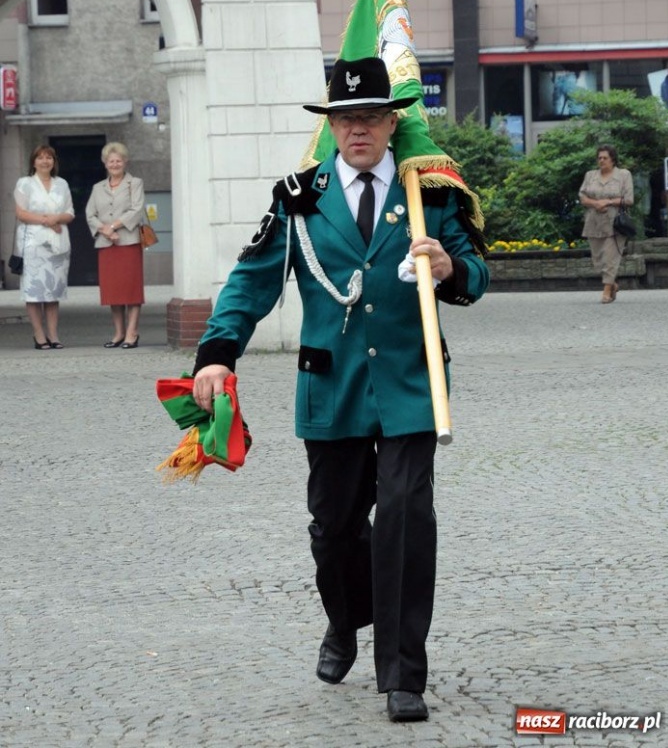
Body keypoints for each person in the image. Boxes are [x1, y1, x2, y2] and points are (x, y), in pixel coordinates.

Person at [192, 58, 490, 723]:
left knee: (406, 519)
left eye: (371, 117)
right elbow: (251, 282)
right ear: (331, 127)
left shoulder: (429, 195)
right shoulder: (299, 197)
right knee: (334, 531)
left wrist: (449, 267)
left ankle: (402, 674)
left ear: (391, 124)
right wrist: (216, 354)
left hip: (412, 383)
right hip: (332, 387)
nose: (359, 129)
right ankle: (345, 616)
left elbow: (475, 271)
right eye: (346, 118)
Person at [14, 144, 75, 349]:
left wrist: (57, 218)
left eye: (49, 157)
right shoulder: (25, 183)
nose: (45, 161)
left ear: (54, 162)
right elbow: (21, 213)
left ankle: (54, 335)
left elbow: (70, 213)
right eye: (40, 157)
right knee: (34, 291)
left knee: (53, 292)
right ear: (33, 162)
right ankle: (39, 335)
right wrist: (47, 220)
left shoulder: (62, 184)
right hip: (33, 244)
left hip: (58, 244)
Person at [85, 142, 145, 348]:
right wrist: (105, 230)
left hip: (128, 242)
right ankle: (119, 333)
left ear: (125, 161)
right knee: (113, 291)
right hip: (106, 244)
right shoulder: (97, 187)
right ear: (105, 163)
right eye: (111, 161)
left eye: (118, 160)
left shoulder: (134, 183)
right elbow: (90, 214)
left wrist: (113, 226)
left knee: (131, 289)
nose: (115, 164)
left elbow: (137, 210)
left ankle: (132, 332)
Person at [579, 144, 634, 303]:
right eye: (599, 158)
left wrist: (608, 202)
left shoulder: (623, 175)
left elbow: (629, 200)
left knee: (610, 258)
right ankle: (613, 284)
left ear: (613, 159)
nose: (601, 160)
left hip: (615, 223)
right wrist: (595, 203)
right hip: (593, 222)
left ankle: (606, 292)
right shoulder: (590, 175)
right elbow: (582, 197)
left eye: (605, 158)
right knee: (598, 261)